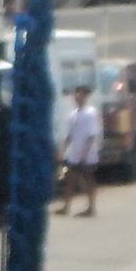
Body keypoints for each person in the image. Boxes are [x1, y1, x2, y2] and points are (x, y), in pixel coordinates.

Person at [57, 85, 101, 218]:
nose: (77, 96)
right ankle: (66, 206)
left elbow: (91, 135)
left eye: (80, 94)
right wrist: (62, 150)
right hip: (74, 153)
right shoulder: (73, 114)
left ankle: (91, 207)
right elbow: (69, 135)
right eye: (76, 93)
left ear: (85, 96)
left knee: (88, 179)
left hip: (87, 154)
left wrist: (85, 153)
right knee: (69, 179)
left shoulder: (90, 113)